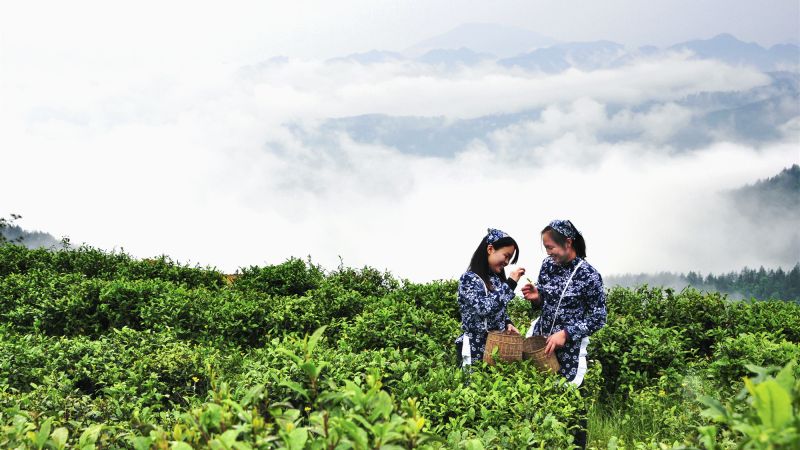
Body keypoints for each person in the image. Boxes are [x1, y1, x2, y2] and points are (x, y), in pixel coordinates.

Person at [521, 219, 606, 449]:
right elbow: (545, 302)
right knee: (539, 404)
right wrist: (536, 297)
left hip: (568, 351)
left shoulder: (589, 275)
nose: (549, 253)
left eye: (551, 247)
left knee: (573, 409)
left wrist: (566, 334)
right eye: (546, 248)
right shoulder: (548, 266)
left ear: (568, 243)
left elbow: (598, 318)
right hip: (542, 347)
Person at [455, 228, 525, 366]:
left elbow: (499, 309)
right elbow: (483, 308)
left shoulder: (497, 280)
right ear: (490, 249)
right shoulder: (469, 279)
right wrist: (510, 283)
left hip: (495, 347)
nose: (507, 262)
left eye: (510, 258)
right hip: (474, 348)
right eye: (506, 256)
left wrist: (507, 323)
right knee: (473, 386)